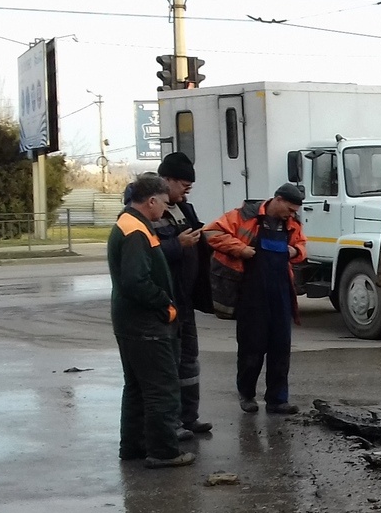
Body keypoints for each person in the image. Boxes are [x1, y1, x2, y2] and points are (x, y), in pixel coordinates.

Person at [109, 174, 193, 468]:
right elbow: (135, 281)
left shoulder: (129, 223)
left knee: (136, 387)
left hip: (130, 323)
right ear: (152, 200)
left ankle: (133, 446)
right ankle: (163, 451)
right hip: (146, 325)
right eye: (165, 204)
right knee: (161, 388)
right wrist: (165, 303)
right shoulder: (136, 231)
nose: (166, 210)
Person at [205, 183, 308, 415]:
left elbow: (301, 245)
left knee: (280, 348)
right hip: (251, 294)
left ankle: (277, 400)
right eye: (289, 209)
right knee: (251, 348)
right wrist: (239, 249)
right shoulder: (243, 216)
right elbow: (211, 233)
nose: (292, 215)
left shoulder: (291, 224)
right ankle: (247, 394)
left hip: (280, 292)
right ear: (278, 199)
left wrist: (296, 252)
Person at [147, 152, 211, 438]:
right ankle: (170, 423)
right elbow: (149, 254)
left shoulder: (186, 209)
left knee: (189, 362)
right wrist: (179, 244)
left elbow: (199, 239)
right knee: (169, 365)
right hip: (166, 302)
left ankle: (189, 417)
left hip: (185, 301)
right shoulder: (147, 213)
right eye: (183, 184)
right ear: (166, 180)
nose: (187, 190)